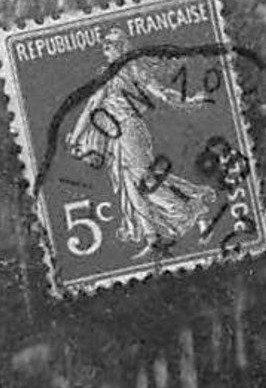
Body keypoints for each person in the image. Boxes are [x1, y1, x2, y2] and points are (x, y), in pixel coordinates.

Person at [66, 29, 218, 258]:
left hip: (130, 131)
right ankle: (153, 238)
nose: (104, 49)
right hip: (117, 136)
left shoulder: (132, 69)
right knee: (131, 188)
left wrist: (190, 101)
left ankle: (187, 208)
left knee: (143, 182)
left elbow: (163, 94)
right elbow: (92, 108)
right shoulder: (108, 73)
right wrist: (76, 137)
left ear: (120, 46)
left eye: (109, 44)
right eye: (104, 45)